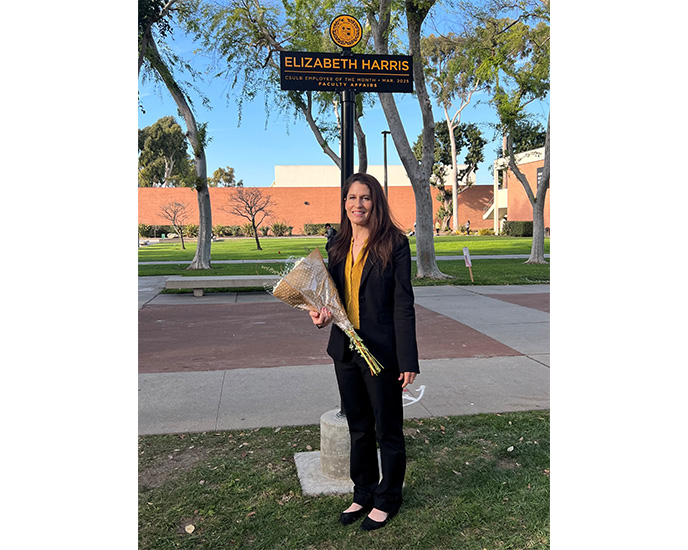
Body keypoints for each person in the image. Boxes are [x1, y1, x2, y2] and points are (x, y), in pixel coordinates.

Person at [309, 173, 419, 532]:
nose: (358, 204)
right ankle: (364, 491)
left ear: (376, 203)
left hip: (382, 352)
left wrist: (408, 360)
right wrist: (320, 314)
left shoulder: (394, 244)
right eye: (352, 197)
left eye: (366, 197)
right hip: (345, 349)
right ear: (344, 204)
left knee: (387, 428)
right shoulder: (337, 245)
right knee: (358, 426)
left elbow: (404, 304)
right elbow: (332, 297)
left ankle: (388, 498)